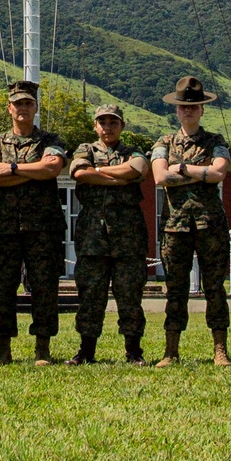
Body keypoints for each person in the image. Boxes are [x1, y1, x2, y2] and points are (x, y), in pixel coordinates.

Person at [0, 79, 66, 366]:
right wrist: (34, 171)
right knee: (2, 288)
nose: (23, 108)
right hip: (4, 227)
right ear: (9, 108)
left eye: (28, 103)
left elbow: (52, 168)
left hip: (43, 226)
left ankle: (42, 349)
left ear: (36, 107)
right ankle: (2, 350)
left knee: (44, 286)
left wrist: (13, 168)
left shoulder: (51, 141)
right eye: (18, 103)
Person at [151, 75, 231, 367]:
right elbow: (160, 177)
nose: (188, 111)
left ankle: (219, 350)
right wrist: (202, 171)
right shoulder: (164, 141)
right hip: (175, 227)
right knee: (175, 288)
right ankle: (171, 351)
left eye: (194, 106)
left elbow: (220, 172)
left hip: (210, 225)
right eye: (183, 107)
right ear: (176, 111)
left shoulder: (216, 141)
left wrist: (182, 168)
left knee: (215, 288)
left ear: (202, 110)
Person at [67, 103, 150, 365]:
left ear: (122, 126)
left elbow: (136, 169)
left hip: (128, 234)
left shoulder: (133, 151)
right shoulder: (85, 149)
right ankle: (86, 351)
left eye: (113, 122)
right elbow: (79, 172)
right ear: (95, 125)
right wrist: (116, 177)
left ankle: (134, 351)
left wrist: (98, 172)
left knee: (130, 294)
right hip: (93, 234)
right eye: (102, 122)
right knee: (90, 294)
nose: (107, 126)